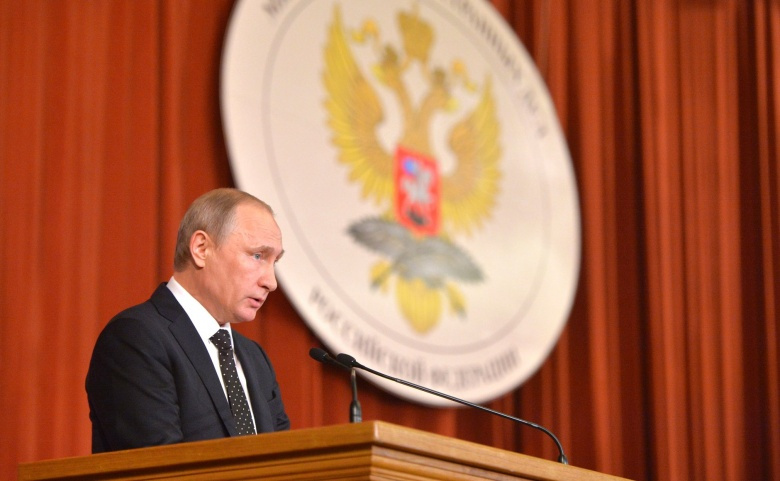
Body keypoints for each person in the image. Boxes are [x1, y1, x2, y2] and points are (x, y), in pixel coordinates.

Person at [86, 188, 290, 453]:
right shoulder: (136, 339)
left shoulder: (255, 358)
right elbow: (161, 467)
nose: (271, 282)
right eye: (257, 256)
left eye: (275, 262)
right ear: (201, 248)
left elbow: (285, 463)